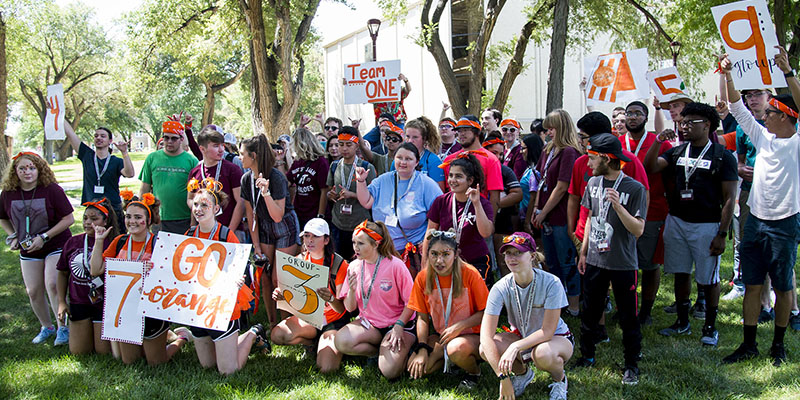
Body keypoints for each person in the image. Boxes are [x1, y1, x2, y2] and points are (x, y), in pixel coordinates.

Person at [721, 49, 800, 365]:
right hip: (755, 219)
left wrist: (789, 72)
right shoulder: (762, 136)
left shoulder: (795, 143)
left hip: (784, 222)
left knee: (783, 286)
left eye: (768, 113)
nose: (762, 116)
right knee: (753, 284)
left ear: (784, 116)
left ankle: (778, 344)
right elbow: (737, 109)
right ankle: (749, 344)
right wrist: (726, 73)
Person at [643, 102, 737, 347]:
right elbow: (649, 167)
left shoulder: (721, 155)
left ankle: (710, 326)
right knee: (680, 272)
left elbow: (729, 198)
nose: (683, 127)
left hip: (706, 224)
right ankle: (682, 322)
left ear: (706, 125)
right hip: (677, 221)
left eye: (689, 122)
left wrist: (722, 233)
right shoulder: (676, 152)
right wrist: (656, 142)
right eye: (681, 123)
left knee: (708, 278)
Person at [574, 133, 646, 385]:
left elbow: (638, 229)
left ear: (606, 158)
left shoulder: (634, 188)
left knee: (628, 316)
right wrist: (584, 252)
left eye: (592, 157)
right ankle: (587, 355)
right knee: (589, 311)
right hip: (595, 259)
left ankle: (631, 364)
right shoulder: (593, 183)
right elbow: (592, 219)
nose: (588, 162)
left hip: (622, 263)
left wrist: (618, 207)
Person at [89, 191, 189, 365]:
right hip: (126, 309)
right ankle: (162, 337)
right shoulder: (120, 241)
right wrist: (99, 241)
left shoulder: (159, 243)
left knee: (156, 362)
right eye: (128, 217)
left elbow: (172, 278)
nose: (132, 221)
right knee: (130, 361)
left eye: (137, 217)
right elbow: (95, 269)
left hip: (151, 310)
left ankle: (181, 338)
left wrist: (154, 273)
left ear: (148, 220)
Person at [183, 182, 264, 375]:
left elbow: (238, 267)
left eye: (204, 205)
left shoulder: (226, 235)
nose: (199, 209)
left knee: (228, 370)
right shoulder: (188, 235)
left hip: (222, 305)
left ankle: (253, 333)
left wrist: (236, 279)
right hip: (198, 305)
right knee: (207, 366)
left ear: (216, 208)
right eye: (196, 204)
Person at [480, 232, 572, 400]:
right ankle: (522, 374)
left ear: (532, 256)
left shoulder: (552, 283)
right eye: (508, 253)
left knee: (542, 354)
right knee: (485, 349)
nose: (512, 258)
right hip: (522, 336)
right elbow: (485, 337)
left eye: (518, 252)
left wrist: (514, 347)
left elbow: (547, 332)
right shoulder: (500, 287)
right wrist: (503, 377)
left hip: (554, 339)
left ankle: (560, 380)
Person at [0, 152, 74, 345]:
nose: (27, 172)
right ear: (15, 171)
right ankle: (46, 327)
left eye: (32, 168)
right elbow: (2, 217)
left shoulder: (52, 190)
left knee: (52, 283)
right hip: (28, 247)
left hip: (55, 243)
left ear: (39, 170)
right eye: (22, 168)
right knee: (33, 290)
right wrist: (13, 235)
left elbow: (69, 219)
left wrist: (44, 237)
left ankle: (62, 328)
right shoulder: (8, 193)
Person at [406, 229, 489, 389]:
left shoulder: (470, 274)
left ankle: (474, 371)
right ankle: (453, 361)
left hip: (472, 336)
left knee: (456, 348)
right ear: (427, 254)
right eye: (434, 254)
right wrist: (422, 347)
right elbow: (422, 318)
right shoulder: (423, 278)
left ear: (456, 254)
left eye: (445, 254)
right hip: (442, 336)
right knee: (416, 369)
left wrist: (459, 327)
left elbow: (486, 313)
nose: (439, 260)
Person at [333, 220, 415, 379]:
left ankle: (406, 350)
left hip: (397, 325)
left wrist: (399, 326)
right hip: (369, 324)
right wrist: (351, 289)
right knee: (341, 341)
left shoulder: (395, 265)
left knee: (390, 372)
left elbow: (412, 302)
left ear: (376, 244)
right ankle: (375, 353)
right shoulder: (354, 266)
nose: (355, 247)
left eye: (361, 243)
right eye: (354, 243)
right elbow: (350, 308)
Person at [270, 218, 353, 372]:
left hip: (332, 321)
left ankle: (329, 344)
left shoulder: (339, 265)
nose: (310, 240)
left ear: (326, 240)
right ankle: (311, 343)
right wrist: (281, 295)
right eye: (307, 236)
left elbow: (342, 310)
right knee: (278, 335)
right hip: (308, 319)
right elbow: (293, 298)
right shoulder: (297, 262)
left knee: (327, 369)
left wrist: (331, 298)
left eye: (315, 236)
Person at [616, 102, 672, 325]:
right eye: (629, 113)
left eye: (637, 113)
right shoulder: (618, 143)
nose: (632, 117)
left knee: (649, 264)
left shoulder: (660, 143)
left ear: (646, 117)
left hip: (652, 211)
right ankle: (626, 307)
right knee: (622, 264)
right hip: (620, 211)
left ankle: (646, 310)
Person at [240, 134, 301, 328]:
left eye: (242, 154)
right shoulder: (246, 179)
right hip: (263, 227)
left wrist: (265, 193)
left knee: (279, 278)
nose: (240, 158)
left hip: (284, 226)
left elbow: (278, 215)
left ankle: (287, 323)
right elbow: (251, 215)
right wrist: (255, 244)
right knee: (264, 275)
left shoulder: (276, 177)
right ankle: (272, 322)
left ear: (254, 156)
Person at [356, 142, 443, 275]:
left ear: (416, 162)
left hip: (412, 253)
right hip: (383, 248)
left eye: (408, 159)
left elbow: (440, 215)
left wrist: (428, 245)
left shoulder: (426, 184)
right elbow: (366, 202)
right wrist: (361, 181)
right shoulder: (383, 180)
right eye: (399, 158)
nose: (403, 162)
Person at [532, 109, 583, 316]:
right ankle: (556, 303)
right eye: (547, 128)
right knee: (551, 262)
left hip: (561, 216)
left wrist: (543, 212)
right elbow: (539, 179)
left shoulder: (569, 152)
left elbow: (562, 186)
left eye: (552, 128)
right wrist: (537, 208)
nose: (549, 132)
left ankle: (574, 305)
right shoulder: (548, 150)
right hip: (545, 214)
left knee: (566, 261)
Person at [56, 198, 118, 355]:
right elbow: (63, 273)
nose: (87, 222)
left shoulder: (114, 243)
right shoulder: (73, 242)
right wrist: (62, 302)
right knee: (79, 352)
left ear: (106, 220)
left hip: (104, 304)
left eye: (94, 219)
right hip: (79, 301)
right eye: (85, 218)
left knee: (103, 351)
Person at [428, 154, 495, 282]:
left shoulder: (482, 203)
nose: (453, 180)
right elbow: (430, 233)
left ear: (470, 180)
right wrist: (426, 264)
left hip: (476, 260)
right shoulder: (441, 201)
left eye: (458, 176)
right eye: (451, 175)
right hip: (447, 261)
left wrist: (476, 204)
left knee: (475, 300)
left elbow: (486, 233)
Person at [64, 121, 134, 228]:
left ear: (110, 141)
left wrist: (124, 152)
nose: (99, 138)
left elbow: (129, 174)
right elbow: (70, 133)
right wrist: (57, 111)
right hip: (93, 209)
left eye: (103, 136)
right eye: (96, 136)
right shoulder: (87, 155)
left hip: (113, 208)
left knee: (116, 240)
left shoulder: (116, 161)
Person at [324, 127, 377, 260]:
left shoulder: (366, 167)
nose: (344, 148)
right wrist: (331, 195)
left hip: (360, 224)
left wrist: (352, 194)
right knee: (339, 261)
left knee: (360, 261)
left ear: (356, 146)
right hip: (338, 223)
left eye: (349, 145)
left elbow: (372, 198)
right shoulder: (334, 166)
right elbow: (330, 190)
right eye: (341, 144)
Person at [139, 120, 199, 234]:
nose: (169, 142)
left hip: (184, 218)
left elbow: (196, 193)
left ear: (181, 139)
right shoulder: (152, 158)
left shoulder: (192, 161)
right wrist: (143, 213)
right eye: (166, 138)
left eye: (174, 138)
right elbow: (144, 187)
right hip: (159, 218)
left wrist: (193, 221)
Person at [441, 116, 503, 215]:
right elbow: (446, 191)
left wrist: (491, 222)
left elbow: (494, 196)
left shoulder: (491, 159)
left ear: (477, 132)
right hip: (453, 214)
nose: (461, 134)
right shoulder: (449, 160)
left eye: (465, 130)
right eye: (459, 131)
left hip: (479, 215)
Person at [187, 125, 244, 232]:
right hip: (203, 230)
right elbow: (190, 199)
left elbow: (241, 202)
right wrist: (200, 207)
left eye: (222, 145)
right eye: (216, 146)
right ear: (202, 149)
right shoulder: (195, 172)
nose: (221, 150)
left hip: (231, 230)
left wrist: (228, 232)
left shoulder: (232, 169)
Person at [484, 132, 524, 275]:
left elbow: (518, 193)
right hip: (479, 224)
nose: (498, 157)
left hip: (502, 224)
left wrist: (494, 204)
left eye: (501, 154)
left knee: (504, 261)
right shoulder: (475, 169)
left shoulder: (504, 170)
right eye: (494, 153)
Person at [288, 126, 330, 230]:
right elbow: (286, 181)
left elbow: (324, 190)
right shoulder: (297, 161)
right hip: (300, 210)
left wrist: (320, 215)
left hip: (315, 211)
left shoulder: (321, 162)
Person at [398, 116, 445, 191]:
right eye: (407, 136)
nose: (410, 141)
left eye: (415, 137)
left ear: (424, 139)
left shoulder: (433, 161)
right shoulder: (397, 160)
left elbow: (439, 193)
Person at [521, 134, 545, 233]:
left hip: (531, 221)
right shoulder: (530, 168)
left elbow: (533, 198)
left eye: (523, 148)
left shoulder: (535, 172)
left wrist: (527, 222)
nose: (520, 152)